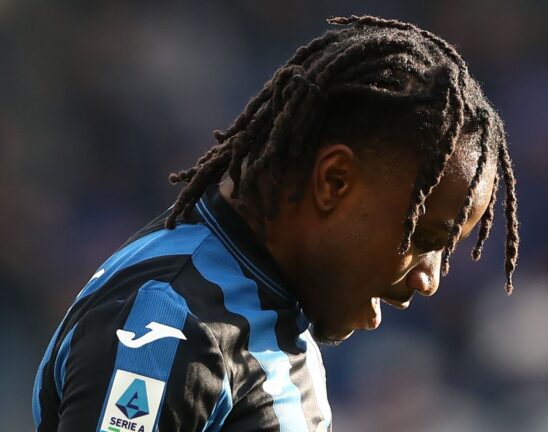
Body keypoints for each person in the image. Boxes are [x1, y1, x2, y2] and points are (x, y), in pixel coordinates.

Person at [32, 15, 519, 432]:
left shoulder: (270, 312)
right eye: (423, 237)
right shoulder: (170, 323)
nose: (429, 278)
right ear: (334, 181)